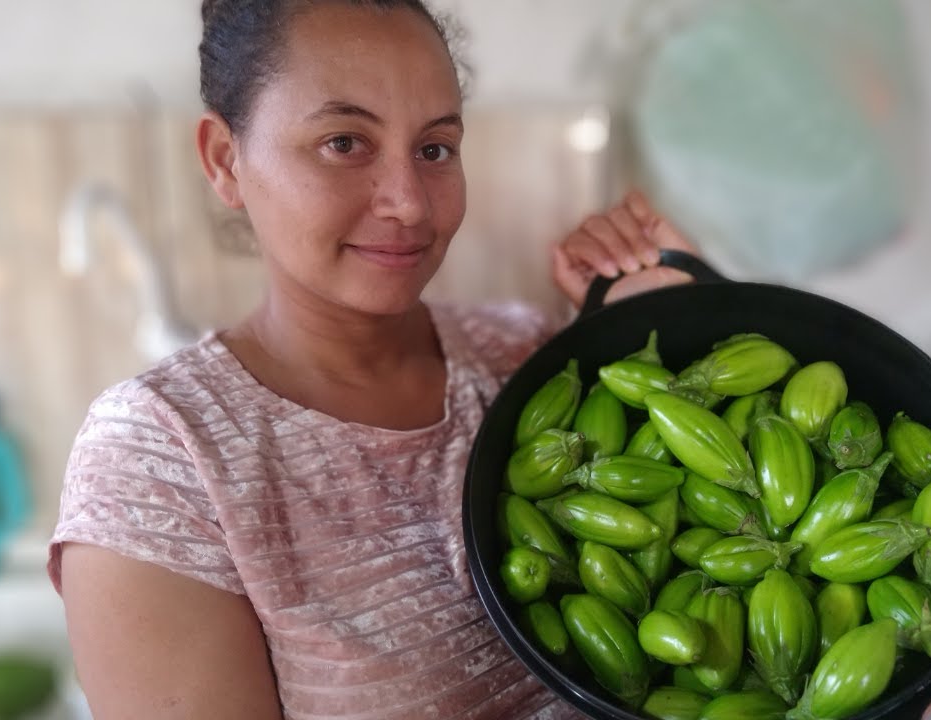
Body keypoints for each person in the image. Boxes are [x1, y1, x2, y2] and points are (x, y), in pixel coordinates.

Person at [47, 1, 698, 718]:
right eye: (344, 143)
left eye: (434, 149)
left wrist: (675, 316)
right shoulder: (161, 456)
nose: (410, 204)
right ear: (226, 160)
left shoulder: (525, 352)